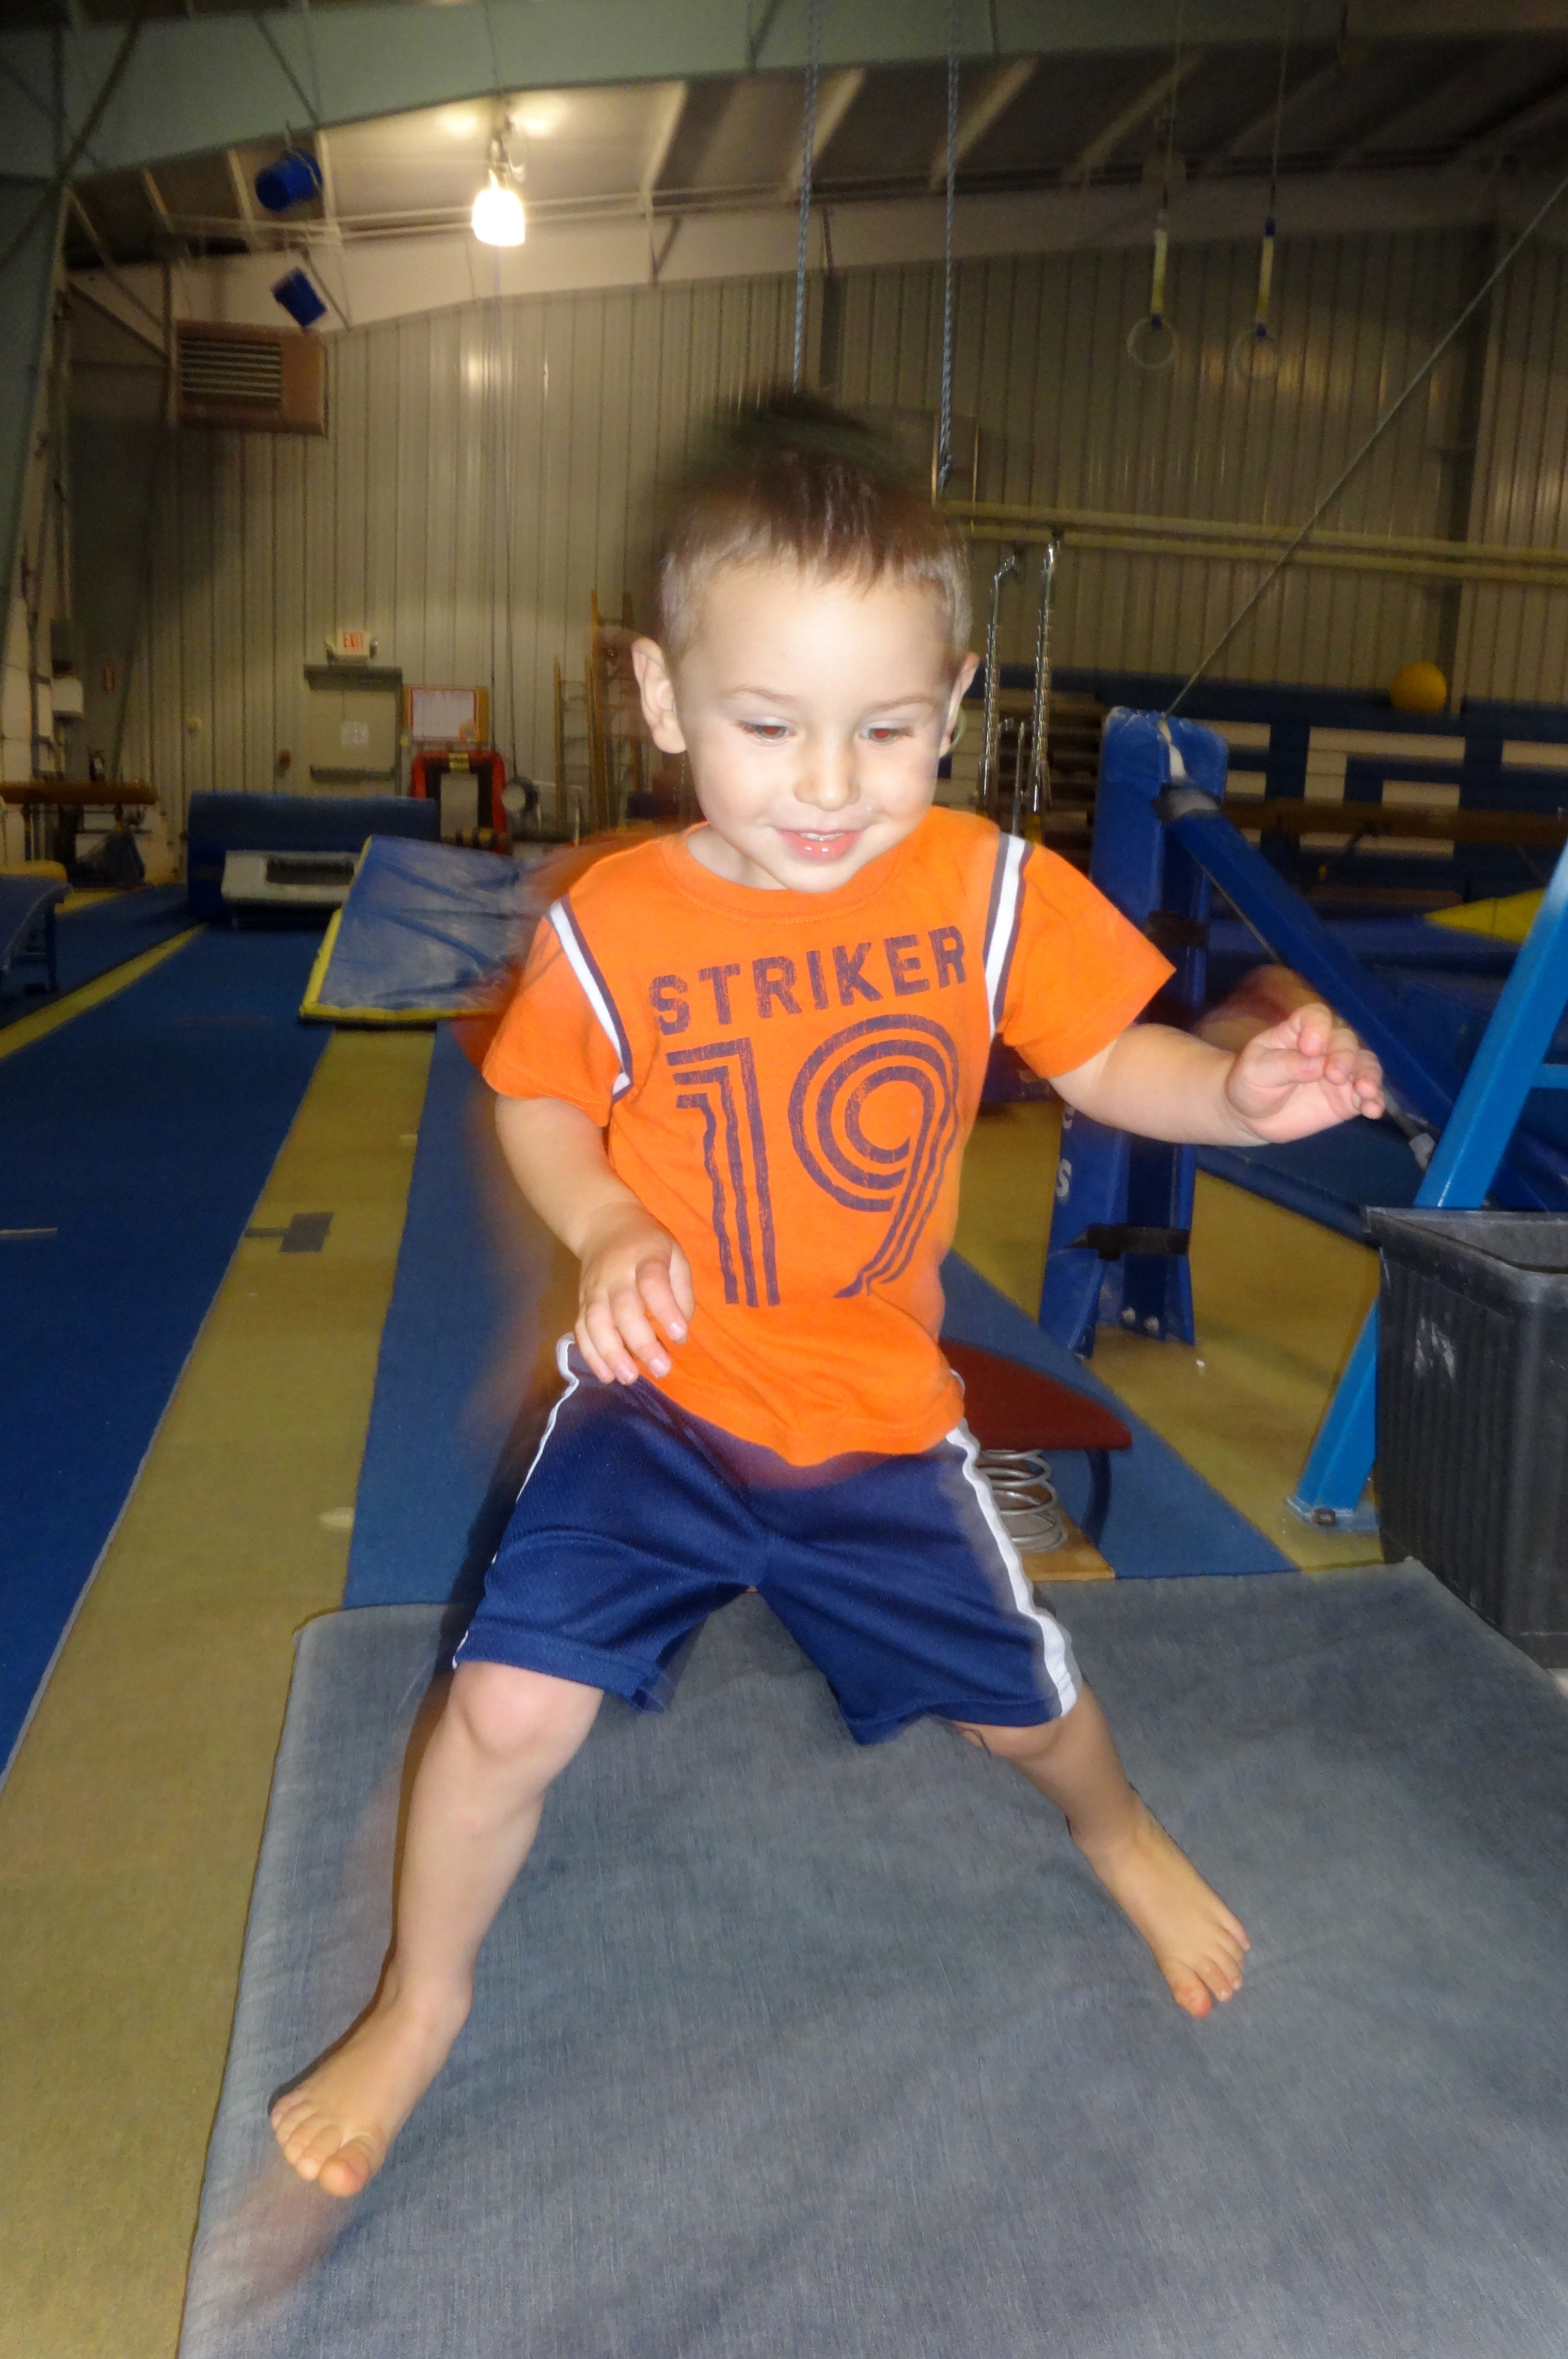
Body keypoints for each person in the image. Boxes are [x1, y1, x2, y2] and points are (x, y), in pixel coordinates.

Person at [272, 396, 1385, 2198]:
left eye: (886, 730)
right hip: (661, 1400)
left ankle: (1118, 1831)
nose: (827, 786)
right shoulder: (617, 922)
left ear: (952, 706)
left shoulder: (985, 890)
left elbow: (1115, 1061)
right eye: (767, 725)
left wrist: (1238, 1095)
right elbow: (537, 1096)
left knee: (1028, 1708)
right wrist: (610, 1226)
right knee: (504, 1709)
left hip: (875, 1425)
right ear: (662, 699)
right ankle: (422, 1998)